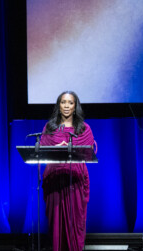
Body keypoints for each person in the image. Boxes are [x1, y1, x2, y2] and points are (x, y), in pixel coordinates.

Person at [42, 91, 96, 251]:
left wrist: (71, 148)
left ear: (75, 106)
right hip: (54, 179)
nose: (66, 106)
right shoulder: (49, 128)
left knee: (76, 223)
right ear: (58, 105)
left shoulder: (84, 129)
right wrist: (56, 148)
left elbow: (88, 152)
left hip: (76, 180)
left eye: (70, 103)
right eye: (63, 102)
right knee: (55, 224)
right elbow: (43, 151)